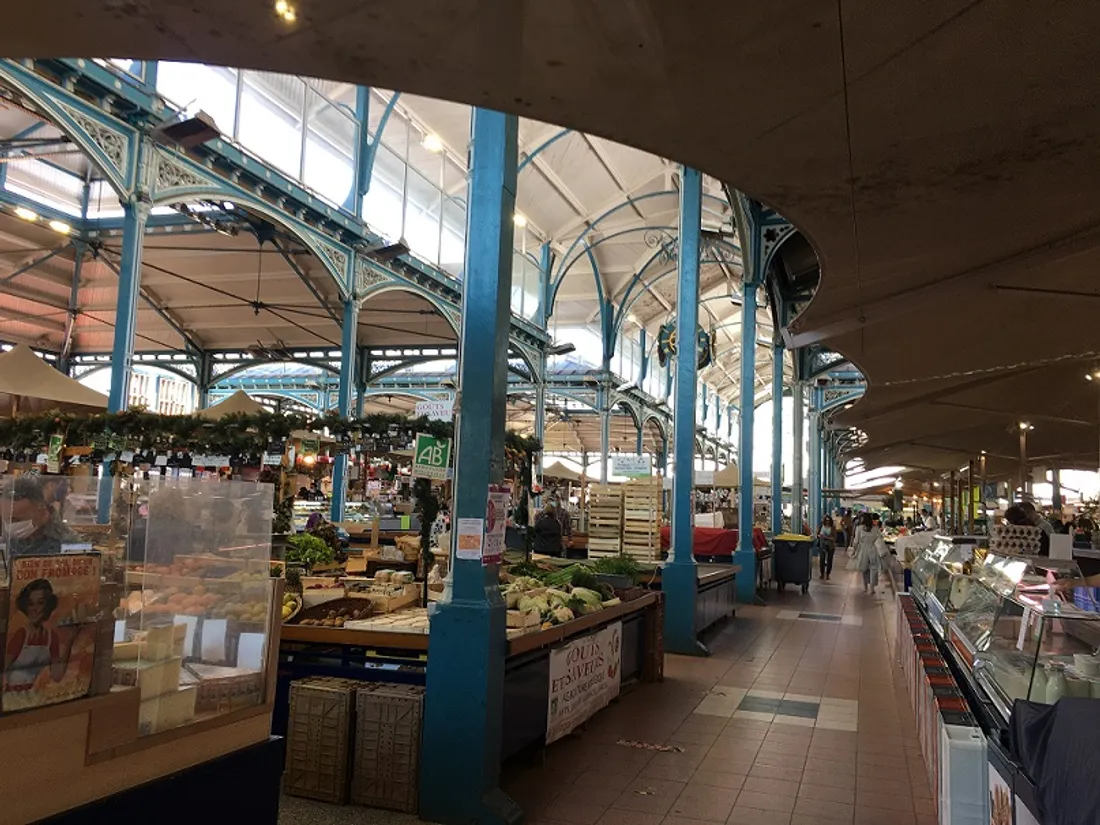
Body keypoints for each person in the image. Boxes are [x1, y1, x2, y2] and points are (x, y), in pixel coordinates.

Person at [5, 578, 76, 692]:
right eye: (30, 603)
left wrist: (70, 640)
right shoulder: (21, 635)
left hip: (33, 697)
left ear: (48, 606)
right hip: (12, 697)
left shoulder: (51, 637)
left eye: (40, 603)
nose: (35, 609)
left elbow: (57, 676)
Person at [5, 476, 79, 556]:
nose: (11, 525)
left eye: (17, 519)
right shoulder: (9, 543)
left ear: (43, 515)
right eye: (7, 519)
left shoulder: (62, 544)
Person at [853, 512, 885, 594]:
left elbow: (856, 541)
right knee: (873, 568)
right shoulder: (875, 528)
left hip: (863, 549)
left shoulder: (859, 528)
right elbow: (880, 537)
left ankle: (865, 586)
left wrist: (854, 550)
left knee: (864, 568)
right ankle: (872, 588)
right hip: (873, 549)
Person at [817, 516, 836, 580]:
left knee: (829, 560)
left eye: (828, 520)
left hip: (830, 546)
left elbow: (834, 538)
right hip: (822, 545)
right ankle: (822, 573)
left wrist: (826, 537)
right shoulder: (821, 526)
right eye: (826, 520)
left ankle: (828, 574)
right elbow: (818, 534)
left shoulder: (833, 528)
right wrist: (819, 536)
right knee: (822, 559)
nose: (827, 522)